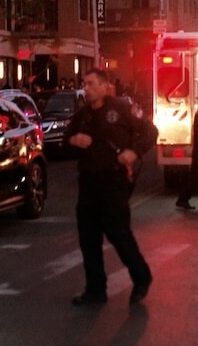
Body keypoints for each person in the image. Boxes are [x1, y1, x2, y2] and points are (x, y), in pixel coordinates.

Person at [65, 67, 157, 306]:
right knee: (89, 239)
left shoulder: (122, 109)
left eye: (92, 83)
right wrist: (73, 140)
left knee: (119, 234)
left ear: (105, 85)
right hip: (88, 183)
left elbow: (150, 131)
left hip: (113, 181)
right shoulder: (83, 116)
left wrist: (134, 152)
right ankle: (95, 290)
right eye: (85, 84)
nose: (87, 88)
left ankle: (141, 277)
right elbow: (65, 141)